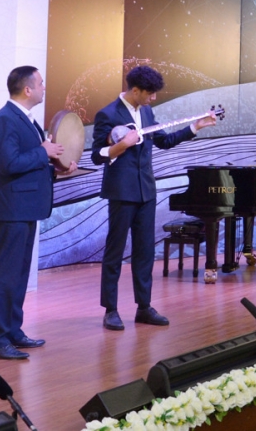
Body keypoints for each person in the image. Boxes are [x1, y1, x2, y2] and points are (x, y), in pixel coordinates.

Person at [92, 65, 216, 331]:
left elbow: (164, 141)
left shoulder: (147, 112)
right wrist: (121, 145)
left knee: (145, 251)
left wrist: (195, 127)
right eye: (150, 93)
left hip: (146, 191)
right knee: (115, 251)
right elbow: (96, 156)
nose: (153, 98)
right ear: (136, 90)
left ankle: (144, 307)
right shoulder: (108, 114)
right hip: (121, 193)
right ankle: (111, 310)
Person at [0, 66, 75, 360]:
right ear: (27, 89)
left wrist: (56, 170)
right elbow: (8, 164)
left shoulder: (26, 119)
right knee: (4, 277)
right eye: (41, 83)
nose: (44, 87)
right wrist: (43, 152)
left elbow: (28, 163)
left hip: (24, 209)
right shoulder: (4, 120)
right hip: (9, 210)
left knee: (19, 275)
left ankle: (12, 331)